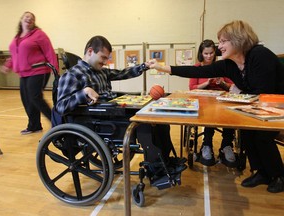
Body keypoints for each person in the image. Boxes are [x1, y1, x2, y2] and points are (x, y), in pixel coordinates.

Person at [148, 20, 284, 193]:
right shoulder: (230, 64)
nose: (219, 47)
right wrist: (162, 68)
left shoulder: (259, 55)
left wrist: (239, 92)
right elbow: (198, 71)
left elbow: (262, 94)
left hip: (276, 108)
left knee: (262, 136)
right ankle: (262, 173)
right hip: (258, 107)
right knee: (247, 131)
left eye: (222, 41)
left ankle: (279, 175)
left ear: (237, 39)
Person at [56, 35, 187, 175]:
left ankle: (166, 160)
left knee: (159, 120)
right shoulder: (72, 75)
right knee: (145, 124)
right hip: (99, 119)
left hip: (111, 112)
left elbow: (123, 73)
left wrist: (144, 66)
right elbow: (61, 106)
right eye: (103, 57)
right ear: (90, 51)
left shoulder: (101, 72)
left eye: (107, 58)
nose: (105, 62)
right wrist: (83, 93)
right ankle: (157, 169)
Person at [0, 11, 59, 135]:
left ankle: (57, 122)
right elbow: (14, 55)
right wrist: (7, 66)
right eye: (26, 17)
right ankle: (34, 125)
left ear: (33, 23)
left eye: (32, 18)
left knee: (35, 97)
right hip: (24, 73)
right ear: (21, 20)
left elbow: (49, 51)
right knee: (27, 99)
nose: (29, 19)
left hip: (39, 70)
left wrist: (55, 68)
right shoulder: (17, 37)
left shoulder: (39, 34)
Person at [190, 39, 236, 167]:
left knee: (230, 115)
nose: (209, 56)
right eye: (206, 53)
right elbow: (192, 87)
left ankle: (226, 145)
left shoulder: (222, 65)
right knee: (208, 115)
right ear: (201, 54)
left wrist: (221, 82)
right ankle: (207, 145)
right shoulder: (197, 68)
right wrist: (207, 83)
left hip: (222, 101)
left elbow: (233, 86)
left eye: (211, 53)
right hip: (205, 102)